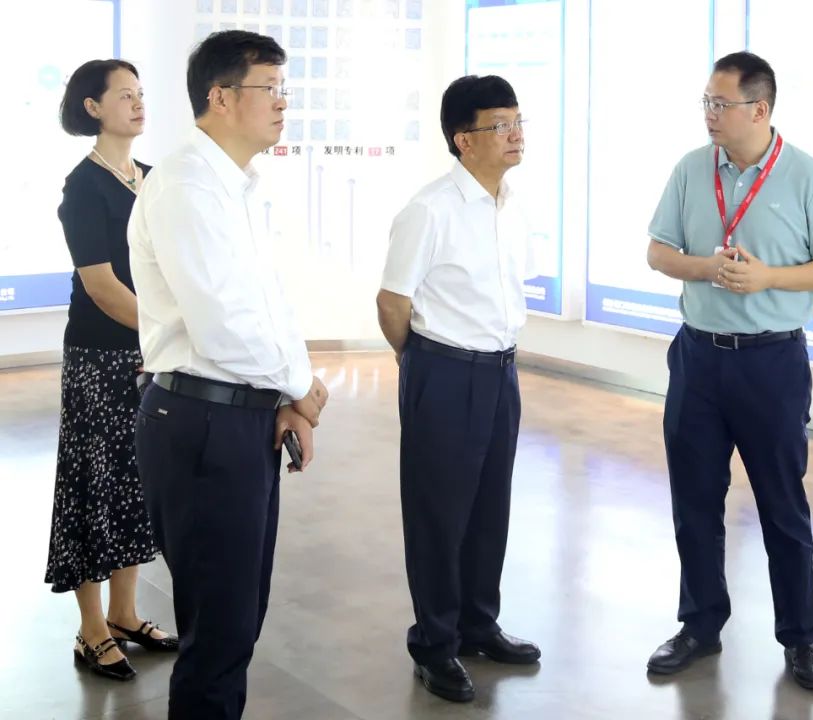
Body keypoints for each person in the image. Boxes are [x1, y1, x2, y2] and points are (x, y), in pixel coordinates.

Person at [128, 30, 327, 719]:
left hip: (238, 417)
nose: (283, 103)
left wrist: (290, 394)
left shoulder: (232, 186)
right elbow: (222, 325)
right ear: (220, 97)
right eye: (270, 89)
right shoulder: (186, 186)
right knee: (218, 631)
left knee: (236, 619)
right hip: (202, 421)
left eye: (283, 90)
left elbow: (265, 306)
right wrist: (300, 387)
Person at [643, 51, 813, 690]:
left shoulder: (805, 175)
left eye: (721, 104)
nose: (710, 114)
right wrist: (707, 268)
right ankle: (699, 625)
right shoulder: (690, 169)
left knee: (782, 507)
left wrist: (768, 279)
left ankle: (802, 639)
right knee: (694, 502)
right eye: (706, 102)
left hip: (771, 363)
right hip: (698, 358)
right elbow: (658, 252)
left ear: (759, 110)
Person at [376, 74, 540, 704]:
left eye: (518, 122)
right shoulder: (430, 209)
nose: (515, 134)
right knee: (438, 517)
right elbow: (392, 303)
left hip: (501, 371)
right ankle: (434, 644)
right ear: (463, 139)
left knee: (489, 507)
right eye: (501, 125)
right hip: (443, 371)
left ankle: (478, 625)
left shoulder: (511, 205)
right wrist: (421, 363)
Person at [47, 58, 179, 683]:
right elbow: (100, 285)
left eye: (140, 92)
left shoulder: (151, 178)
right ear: (93, 107)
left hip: (148, 354)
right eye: (124, 95)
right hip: (100, 357)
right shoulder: (83, 187)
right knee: (93, 488)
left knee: (135, 482)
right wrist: (163, 332)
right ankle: (91, 628)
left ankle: (125, 614)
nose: (138, 102)